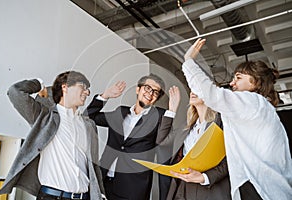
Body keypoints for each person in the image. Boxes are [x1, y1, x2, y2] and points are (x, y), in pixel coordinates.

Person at [182, 38, 292, 200]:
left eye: (239, 78)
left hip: (260, 189)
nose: (232, 83)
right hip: (259, 186)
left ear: (256, 82)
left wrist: (188, 61)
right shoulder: (260, 109)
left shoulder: (254, 102)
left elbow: (210, 94)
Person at [0, 71, 106, 200]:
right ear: (65, 87)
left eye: (88, 90)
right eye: (83, 87)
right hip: (52, 196)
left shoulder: (89, 125)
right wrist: (39, 85)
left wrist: (100, 194)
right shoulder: (44, 117)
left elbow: (94, 165)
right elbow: (15, 92)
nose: (87, 92)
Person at [86, 74, 180, 200]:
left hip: (133, 188)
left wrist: (172, 112)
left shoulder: (160, 117)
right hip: (103, 182)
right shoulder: (120, 112)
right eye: (147, 88)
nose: (150, 93)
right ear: (138, 89)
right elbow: (88, 118)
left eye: (155, 92)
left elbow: (163, 145)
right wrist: (105, 96)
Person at [159, 91, 231, 200]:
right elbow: (162, 141)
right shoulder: (186, 127)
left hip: (210, 190)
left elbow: (232, 159)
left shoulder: (222, 122)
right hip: (182, 189)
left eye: (198, 87)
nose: (193, 91)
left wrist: (204, 178)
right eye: (192, 88)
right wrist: (172, 110)